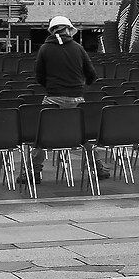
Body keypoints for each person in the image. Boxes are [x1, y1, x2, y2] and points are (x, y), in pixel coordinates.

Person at [35, 15, 108, 179]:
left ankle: (33, 171)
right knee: (83, 134)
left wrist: (51, 87)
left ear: (52, 31)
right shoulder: (78, 48)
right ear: (68, 29)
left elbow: (39, 75)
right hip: (76, 98)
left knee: (42, 133)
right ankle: (97, 168)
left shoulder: (44, 49)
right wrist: (80, 88)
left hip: (53, 97)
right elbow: (91, 74)